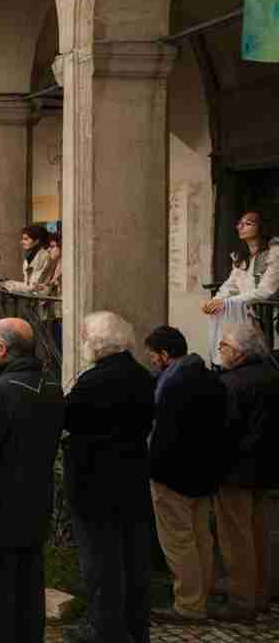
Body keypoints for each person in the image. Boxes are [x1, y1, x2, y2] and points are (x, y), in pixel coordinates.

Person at [62, 312, 155, 643]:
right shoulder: (142, 376)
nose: (83, 343)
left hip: (95, 486)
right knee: (133, 562)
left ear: (97, 344)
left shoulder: (93, 382)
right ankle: (135, 628)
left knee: (101, 565)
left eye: (86, 338)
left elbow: (68, 417)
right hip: (132, 480)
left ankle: (106, 630)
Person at [0, 318, 64, 643]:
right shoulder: (51, 385)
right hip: (38, 499)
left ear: (2, 349)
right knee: (30, 581)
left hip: (0, 505)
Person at [144, 325, 229, 624]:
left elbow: (165, 434)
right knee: (201, 538)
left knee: (179, 542)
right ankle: (201, 595)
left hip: (173, 475)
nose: (151, 360)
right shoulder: (210, 377)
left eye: (153, 354)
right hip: (204, 474)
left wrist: (152, 467)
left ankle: (189, 604)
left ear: (165, 354)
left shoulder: (173, 384)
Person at [213, 322, 279, 623]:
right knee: (260, 534)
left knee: (236, 538)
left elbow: (224, 431)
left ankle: (242, 600)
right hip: (266, 468)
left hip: (235, 472)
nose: (220, 349)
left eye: (224, 344)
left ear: (239, 352)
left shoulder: (230, 383)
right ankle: (261, 594)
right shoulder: (273, 376)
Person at [202, 210, 279, 365]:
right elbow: (230, 286)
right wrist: (215, 301)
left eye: (248, 223)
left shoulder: (274, 252)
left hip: (268, 312)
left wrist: (228, 303)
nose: (241, 227)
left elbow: (266, 291)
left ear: (261, 227)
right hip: (246, 311)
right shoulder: (242, 256)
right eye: (240, 224)